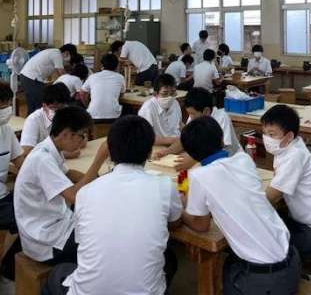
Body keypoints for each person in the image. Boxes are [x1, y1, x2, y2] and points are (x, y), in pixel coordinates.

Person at [42, 116, 183, 295]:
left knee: (59, 272)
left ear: (110, 152)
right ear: (149, 152)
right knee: (168, 258)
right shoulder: (165, 186)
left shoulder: (85, 193)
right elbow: (175, 222)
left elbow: (83, 241)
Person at [181, 117, 301, 295]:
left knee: (225, 273)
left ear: (192, 154)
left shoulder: (199, 176)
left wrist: (181, 208)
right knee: (231, 263)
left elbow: (201, 225)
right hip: (293, 262)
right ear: (222, 140)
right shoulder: (243, 159)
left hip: (266, 280)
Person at [5, 107, 108, 280]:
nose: (83, 141)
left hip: (52, 222)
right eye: (82, 136)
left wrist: (100, 180)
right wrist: (99, 159)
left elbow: (68, 174)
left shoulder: (49, 149)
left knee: (97, 221)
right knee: (101, 241)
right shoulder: (42, 159)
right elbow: (73, 196)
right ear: (66, 134)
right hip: (44, 241)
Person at [262, 105, 311, 260]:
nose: (266, 139)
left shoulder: (294, 156)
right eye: (264, 133)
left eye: (271, 134)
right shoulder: (287, 147)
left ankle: (296, 269)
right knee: (270, 225)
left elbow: (272, 196)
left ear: (289, 136)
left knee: (267, 242)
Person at [154, 87, 242, 168]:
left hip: (231, 163)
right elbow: (184, 141)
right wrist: (166, 152)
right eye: (189, 113)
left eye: (192, 113)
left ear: (206, 111)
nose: (190, 117)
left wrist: (193, 159)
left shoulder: (222, 118)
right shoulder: (195, 117)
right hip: (209, 163)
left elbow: (221, 151)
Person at [20, 83, 77, 157]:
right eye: (54, 108)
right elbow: (26, 151)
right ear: (44, 106)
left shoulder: (69, 115)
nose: (59, 112)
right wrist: (61, 154)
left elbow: (82, 139)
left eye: (62, 108)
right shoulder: (33, 120)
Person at [20, 44, 77, 114]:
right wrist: (71, 79)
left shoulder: (53, 52)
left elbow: (58, 71)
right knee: (41, 103)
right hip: (31, 78)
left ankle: (30, 119)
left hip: (26, 76)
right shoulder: (57, 54)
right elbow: (61, 72)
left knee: (32, 104)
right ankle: (40, 119)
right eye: (70, 55)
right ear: (66, 52)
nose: (69, 59)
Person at [0, 83, 25, 234]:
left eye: (7, 104)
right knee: (25, 220)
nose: (6, 110)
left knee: (41, 207)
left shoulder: (6, 131)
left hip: (4, 195)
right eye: (1, 106)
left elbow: (22, 163)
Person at [138, 74, 182, 146]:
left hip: (176, 143)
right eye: (165, 93)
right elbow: (146, 137)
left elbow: (179, 124)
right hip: (158, 146)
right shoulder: (148, 108)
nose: (169, 97)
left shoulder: (175, 103)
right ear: (155, 94)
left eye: (172, 93)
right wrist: (174, 140)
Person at [82, 54, 125, 120]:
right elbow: (121, 94)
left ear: (102, 65)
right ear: (117, 66)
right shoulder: (120, 77)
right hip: (113, 116)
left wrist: (87, 106)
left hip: (93, 115)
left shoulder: (92, 76)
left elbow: (82, 93)